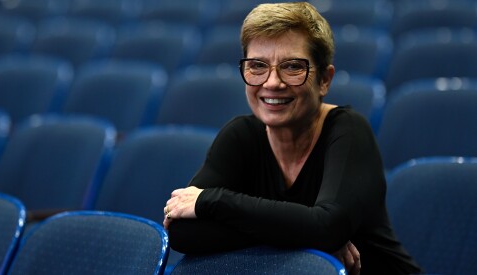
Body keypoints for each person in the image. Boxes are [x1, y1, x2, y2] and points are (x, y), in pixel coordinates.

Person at [163, 2, 422, 274]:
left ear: (324, 79)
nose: (272, 82)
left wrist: (214, 201)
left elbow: (326, 227)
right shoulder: (240, 135)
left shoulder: (349, 130)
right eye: (257, 66)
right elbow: (183, 232)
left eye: (293, 67)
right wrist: (304, 234)